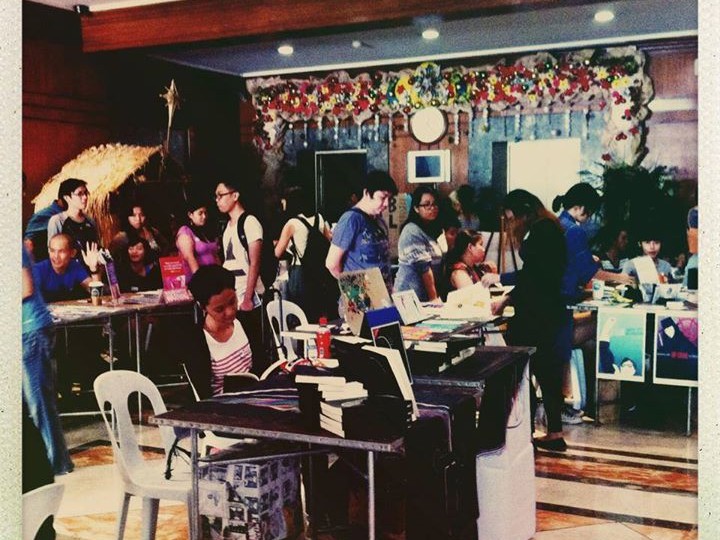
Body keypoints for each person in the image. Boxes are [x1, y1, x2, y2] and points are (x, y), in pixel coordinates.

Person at [482, 189, 568, 451]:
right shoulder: (548, 227)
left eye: (511, 218)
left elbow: (533, 276)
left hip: (535, 316)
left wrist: (503, 286)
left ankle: (525, 431)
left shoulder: (541, 231)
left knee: (522, 371)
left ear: (523, 212)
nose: (510, 224)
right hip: (547, 313)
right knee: (546, 373)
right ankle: (553, 432)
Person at [23, 245, 74, 476]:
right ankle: (56, 462)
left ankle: (54, 464)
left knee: (39, 403)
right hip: (27, 330)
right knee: (36, 402)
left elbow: (25, 287)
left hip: (30, 330)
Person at [215, 177, 268, 373]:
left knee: (253, 344)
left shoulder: (250, 222)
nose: (217, 200)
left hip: (248, 295)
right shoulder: (227, 227)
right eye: (216, 197)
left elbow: (255, 262)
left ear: (235, 195)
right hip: (233, 295)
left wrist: (247, 297)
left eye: (221, 195)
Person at [184, 265, 254, 398]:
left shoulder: (246, 323)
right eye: (219, 309)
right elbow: (201, 392)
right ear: (203, 307)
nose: (230, 312)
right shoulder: (197, 342)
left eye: (232, 301)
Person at [325, 170, 398, 291]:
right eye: (383, 197)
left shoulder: (379, 220)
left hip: (383, 294)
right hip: (361, 295)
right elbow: (331, 264)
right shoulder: (351, 219)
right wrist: (354, 288)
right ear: (367, 193)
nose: (386, 203)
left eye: (389, 199)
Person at [274, 187, 334, 320]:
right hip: (319, 270)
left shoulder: (292, 223)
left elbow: (277, 252)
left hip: (300, 271)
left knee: (300, 313)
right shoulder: (319, 218)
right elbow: (329, 240)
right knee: (317, 311)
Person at [394, 186, 445, 302]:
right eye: (426, 205)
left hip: (424, 296)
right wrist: (434, 299)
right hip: (410, 296)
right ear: (416, 208)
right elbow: (424, 269)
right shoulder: (412, 231)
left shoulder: (431, 230)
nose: (432, 208)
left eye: (435, 204)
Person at [33, 233, 103, 302]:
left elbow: (96, 294)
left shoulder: (74, 266)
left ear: (73, 253)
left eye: (61, 251)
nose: (56, 256)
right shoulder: (38, 270)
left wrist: (94, 269)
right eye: (52, 251)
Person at [46, 178, 100, 268]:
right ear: (67, 198)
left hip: (91, 269)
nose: (85, 197)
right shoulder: (58, 221)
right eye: (79, 194)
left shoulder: (90, 221)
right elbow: (52, 252)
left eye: (85, 193)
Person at [175, 196, 220, 282]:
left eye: (205, 213)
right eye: (200, 213)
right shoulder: (185, 232)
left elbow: (215, 255)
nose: (204, 216)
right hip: (197, 280)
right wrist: (201, 281)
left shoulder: (205, 231)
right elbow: (190, 258)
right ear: (190, 215)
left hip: (213, 278)